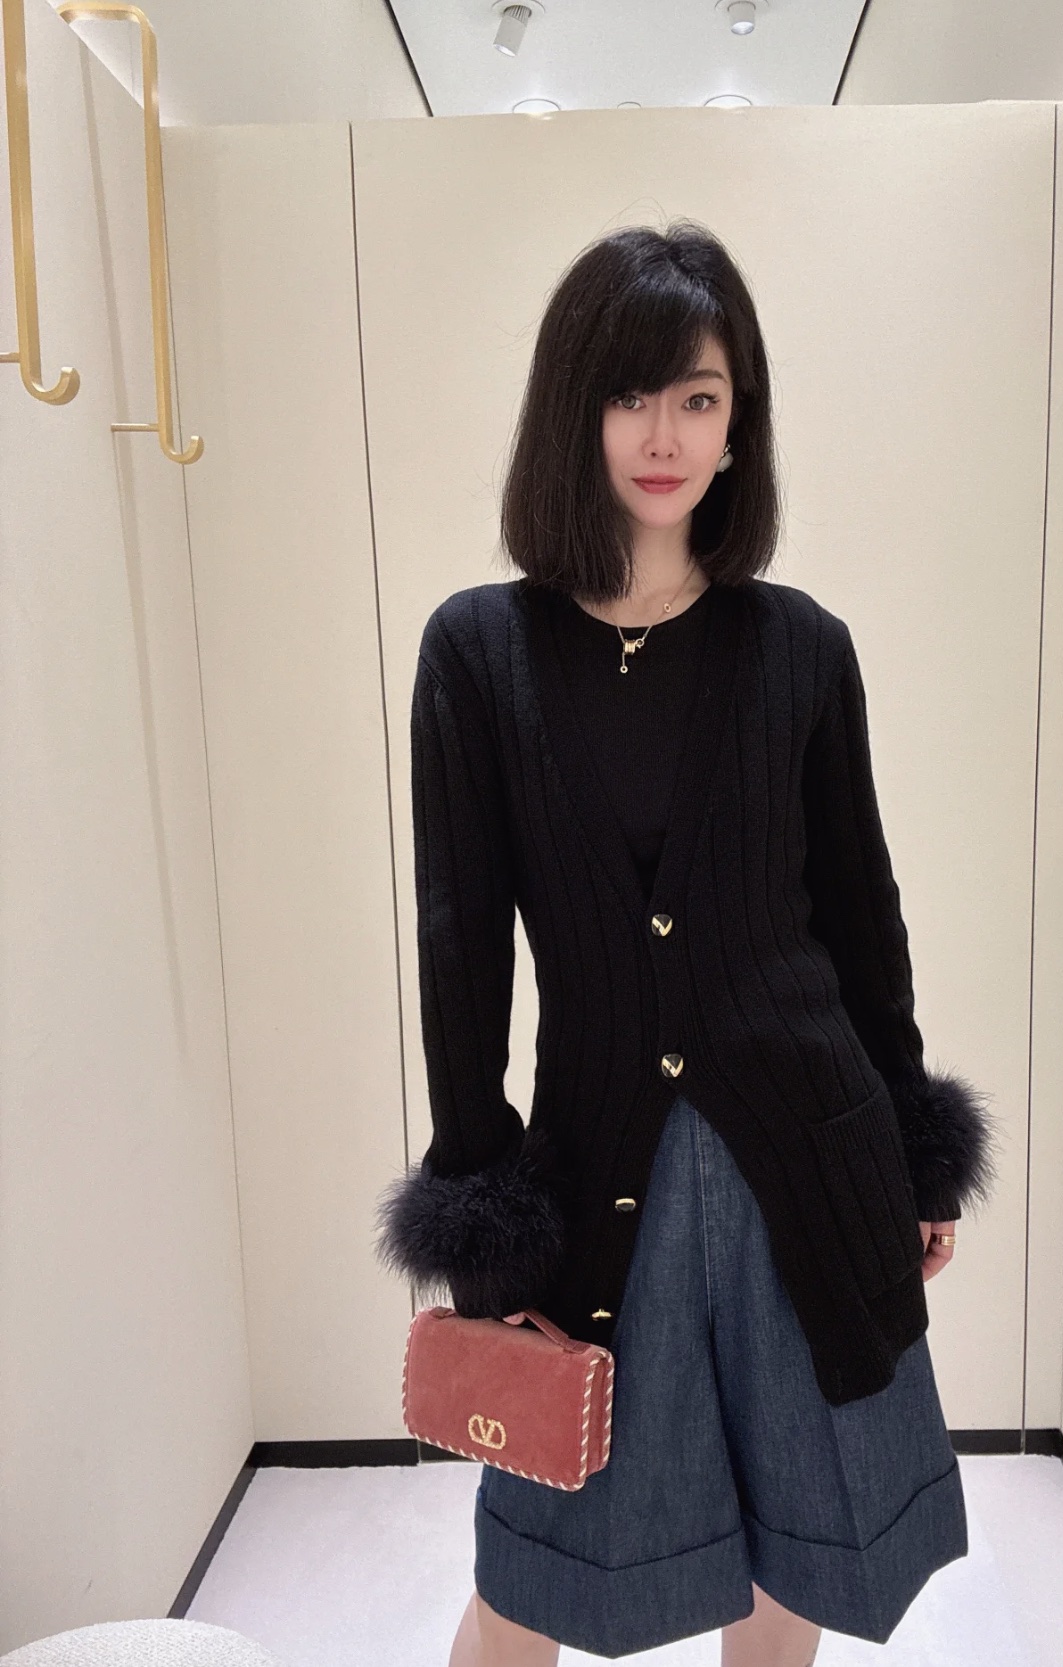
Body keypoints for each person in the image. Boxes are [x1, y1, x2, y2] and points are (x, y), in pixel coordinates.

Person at [375, 221, 1000, 1665]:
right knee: (537, 1565)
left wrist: (915, 1152)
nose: (665, 435)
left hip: (811, 1170)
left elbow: (863, 917)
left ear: (738, 424)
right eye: (630, 394)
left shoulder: (800, 649)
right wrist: (480, 1206)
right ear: (573, 409)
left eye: (700, 398)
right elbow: (461, 955)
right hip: (601, 1181)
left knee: (794, 1557)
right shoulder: (479, 652)